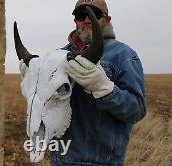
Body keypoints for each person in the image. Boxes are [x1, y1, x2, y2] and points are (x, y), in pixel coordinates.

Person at [19, 0, 146, 165]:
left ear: (107, 20)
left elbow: (136, 110)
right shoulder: (58, 55)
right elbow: (45, 103)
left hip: (102, 162)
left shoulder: (123, 55)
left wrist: (105, 89)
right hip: (59, 160)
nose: (86, 19)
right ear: (75, 21)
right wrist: (33, 82)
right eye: (80, 15)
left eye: (95, 14)